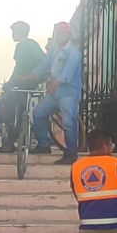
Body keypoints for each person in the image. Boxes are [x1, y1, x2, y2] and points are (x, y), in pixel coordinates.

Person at [31, 21, 81, 164]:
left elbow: (67, 73)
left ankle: (71, 153)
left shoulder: (73, 52)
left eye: (62, 33)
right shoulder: (55, 50)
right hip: (54, 93)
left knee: (68, 122)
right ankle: (43, 145)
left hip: (68, 93)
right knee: (38, 113)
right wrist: (33, 74)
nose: (59, 36)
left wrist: (55, 83)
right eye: (58, 33)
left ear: (68, 34)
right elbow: (45, 64)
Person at [0, 21, 46, 153]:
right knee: (19, 111)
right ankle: (14, 139)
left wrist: (10, 82)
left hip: (23, 83)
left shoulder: (23, 46)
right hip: (28, 82)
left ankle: (10, 142)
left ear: (19, 32)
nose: (12, 34)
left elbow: (18, 68)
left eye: (14, 32)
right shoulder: (32, 45)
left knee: (11, 111)